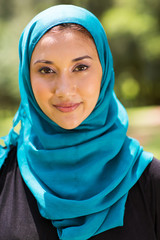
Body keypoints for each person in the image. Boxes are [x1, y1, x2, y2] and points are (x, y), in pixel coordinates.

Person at [0, 4, 160, 240]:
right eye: (46, 70)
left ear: (104, 70)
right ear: (26, 76)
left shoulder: (152, 182)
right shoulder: (3, 173)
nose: (64, 90)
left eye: (81, 67)